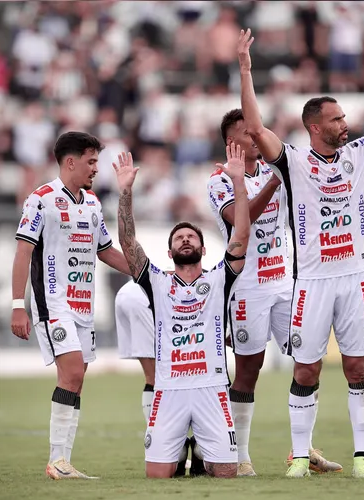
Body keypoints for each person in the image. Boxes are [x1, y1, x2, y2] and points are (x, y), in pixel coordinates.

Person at [235, 26, 364, 479]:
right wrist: (246, 71)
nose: (345, 124)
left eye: (345, 117)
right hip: (310, 282)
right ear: (314, 126)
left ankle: (362, 458)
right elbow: (255, 127)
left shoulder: (359, 153)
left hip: (353, 279)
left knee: (357, 366)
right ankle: (301, 456)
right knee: (305, 371)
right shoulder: (293, 161)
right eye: (337, 119)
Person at [206, 108, 342, 476]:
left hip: (284, 282)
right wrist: (274, 183)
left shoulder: (274, 167)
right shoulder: (219, 179)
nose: (254, 135)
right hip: (247, 287)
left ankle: (303, 449)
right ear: (230, 142)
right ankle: (240, 455)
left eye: (255, 129)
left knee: (309, 362)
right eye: (244, 131)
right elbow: (241, 220)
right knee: (249, 370)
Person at [113, 145, 249, 479]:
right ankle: (181, 455)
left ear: (203, 249)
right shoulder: (157, 282)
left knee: (227, 473)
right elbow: (128, 243)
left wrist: (238, 184)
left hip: (212, 387)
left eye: (191, 237)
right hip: (169, 388)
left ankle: (201, 454)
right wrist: (126, 193)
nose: (185, 240)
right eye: (179, 238)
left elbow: (242, 235)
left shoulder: (219, 279)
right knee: (157, 476)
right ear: (170, 250)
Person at [9, 131, 131, 480]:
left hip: (83, 305)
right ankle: (57, 460)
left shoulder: (92, 202)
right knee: (73, 372)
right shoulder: (41, 199)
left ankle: (63, 461)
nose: (96, 168)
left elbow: (105, 250)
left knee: (76, 380)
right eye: (91, 161)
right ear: (71, 161)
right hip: (54, 302)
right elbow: (23, 251)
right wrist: (19, 304)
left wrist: (143, 273)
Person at [114, 279, 157, 423]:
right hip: (142, 295)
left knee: (153, 376)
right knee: (159, 376)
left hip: (127, 291)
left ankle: (155, 430)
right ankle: (156, 431)